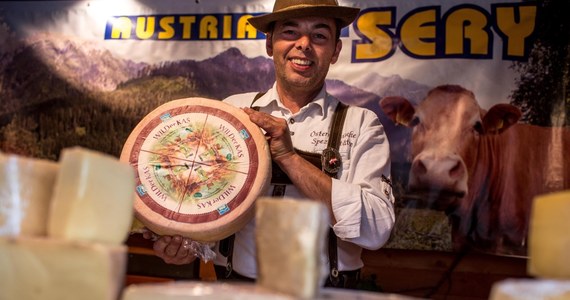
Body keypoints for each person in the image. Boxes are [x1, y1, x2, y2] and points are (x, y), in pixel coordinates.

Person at [144, 0, 395, 289]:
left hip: (327, 293)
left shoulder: (362, 124)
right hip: (235, 290)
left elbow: (377, 230)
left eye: (319, 36)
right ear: (269, 43)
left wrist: (289, 158)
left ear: (335, 50)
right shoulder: (232, 112)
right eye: (290, 32)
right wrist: (185, 245)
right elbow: (202, 207)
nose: (304, 44)